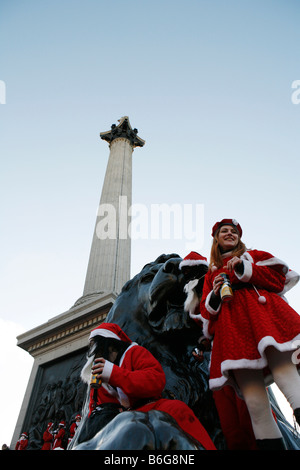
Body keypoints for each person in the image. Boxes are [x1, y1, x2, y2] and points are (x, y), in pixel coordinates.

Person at [197, 218, 300, 450]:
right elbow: (206, 313)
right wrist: (214, 294)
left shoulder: (253, 255)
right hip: (234, 334)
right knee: (254, 404)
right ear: (216, 239)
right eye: (224, 231)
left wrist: (244, 268)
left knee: (288, 379)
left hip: (264, 321)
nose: (229, 234)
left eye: (233, 231)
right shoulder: (210, 275)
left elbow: (278, 278)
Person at [80, 322, 216, 450]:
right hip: (121, 420)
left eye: (96, 347)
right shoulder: (98, 374)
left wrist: (114, 374)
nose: (93, 353)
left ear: (110, 346)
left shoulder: (135, 353)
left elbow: (156, 381)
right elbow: (98, 407)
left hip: (153, 407)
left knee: (178, 410)